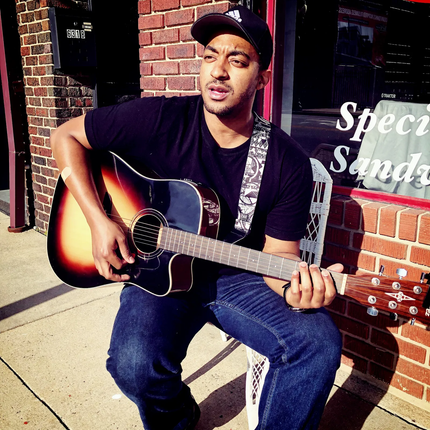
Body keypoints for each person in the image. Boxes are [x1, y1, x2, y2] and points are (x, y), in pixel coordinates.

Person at [51, 5, 343, 430]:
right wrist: (99, 219)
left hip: (237, 277)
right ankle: (178, 419)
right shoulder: (158, 118)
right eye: (210, 56)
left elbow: (280, 256)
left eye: (237, 60)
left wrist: (296, 290)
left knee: (317, 344)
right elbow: (66, 136)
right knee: (133, 365)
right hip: (157, 271)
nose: (218, 71)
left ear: (262, 79)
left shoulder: (287, 162)